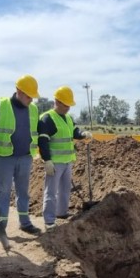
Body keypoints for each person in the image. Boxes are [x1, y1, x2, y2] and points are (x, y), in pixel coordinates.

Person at [0, 74, 43, 243]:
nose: (30, 99)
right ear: (18, 91)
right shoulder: (0, 106)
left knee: (23, 192)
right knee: (2, 193)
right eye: (28, 95)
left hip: (25, 157)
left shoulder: (33, 109)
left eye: (32, 96)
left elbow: (36, 131)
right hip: (4, 158)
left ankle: (25, 223)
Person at [37, 86, 91, 229]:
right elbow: (42, 141)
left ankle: (61, 212)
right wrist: (47, 160)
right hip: (54, 162)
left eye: (69, 105)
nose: (68, 108)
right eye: (65, 104)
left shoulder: (67, 118)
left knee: (65, 189)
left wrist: (83, 134)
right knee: (51, 191)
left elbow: (74, 131)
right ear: (57, 101)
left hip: (67, 161)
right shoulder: (47, 118)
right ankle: (49, 220)